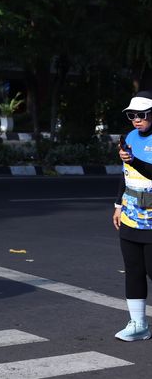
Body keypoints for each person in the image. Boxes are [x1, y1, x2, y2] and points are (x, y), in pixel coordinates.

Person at [114, 90, 152, 341]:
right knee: (134, 270)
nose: (136, 119)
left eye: (142, 114)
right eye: (132, 115)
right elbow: (125, 174)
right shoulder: (130, 136)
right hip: (131, 215)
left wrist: (134, 160)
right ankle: (139, 325)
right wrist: (118, 205)